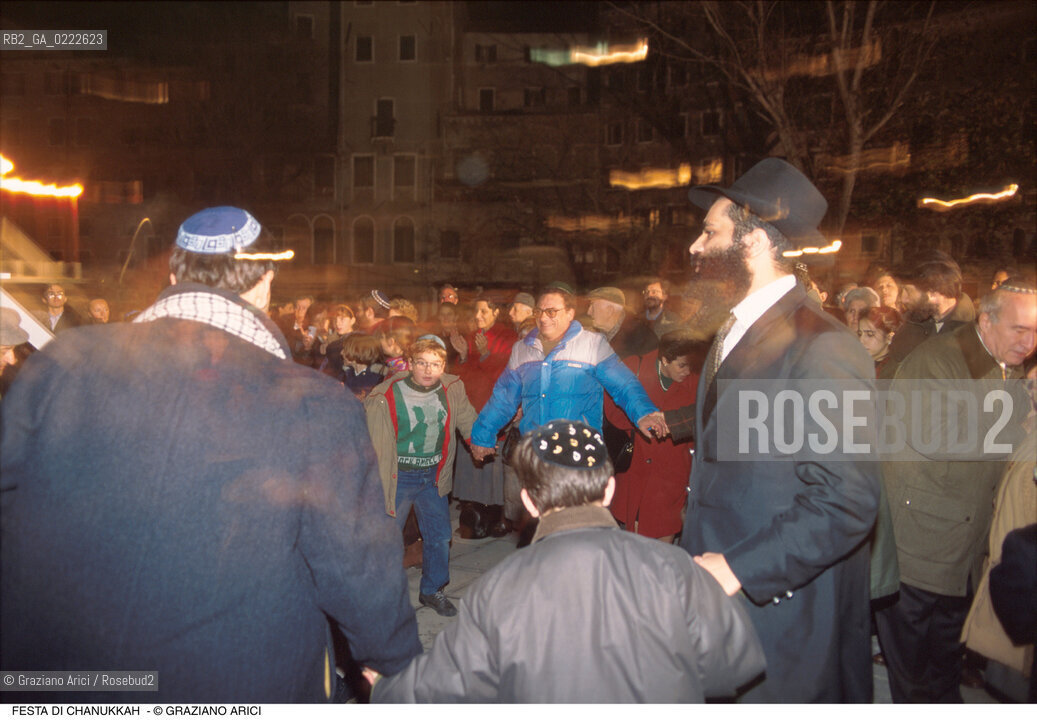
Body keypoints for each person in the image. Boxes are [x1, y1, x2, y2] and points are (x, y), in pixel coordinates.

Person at [0, 206, 421, 703]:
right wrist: (396, 662)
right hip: (230, 682)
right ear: (265, 284)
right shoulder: (315, 403)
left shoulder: (60, 364)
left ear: (176, 274)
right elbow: (356, 564)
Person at [369, 420, 766, 703]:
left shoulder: (499, 589)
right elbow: (734, 668)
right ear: (609, 490)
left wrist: (385, 689)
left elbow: (448, 685)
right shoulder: (675, 568)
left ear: (528, 500)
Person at [674, 158, 881, 701]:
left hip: (784, 619)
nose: (696, 247)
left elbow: (846, 500)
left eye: (710, 231)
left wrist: (739, 567)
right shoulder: (735, 332)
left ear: (755, 243)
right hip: (727, 602)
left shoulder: (825, 347)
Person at [875, 280, 1036, 703]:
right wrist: (1021, 419)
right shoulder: (940, 360)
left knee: (945, 655)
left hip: (964, 538)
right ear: (986, 320)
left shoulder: (1005, 361)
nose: (1030, 342)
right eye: (1021, 329)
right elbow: (937, 435)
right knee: (912, 667)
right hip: (921, 538)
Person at [469, 287, 665, 462]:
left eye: (552, 311)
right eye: (539, 311)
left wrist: (644, 413)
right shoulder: (522, 349)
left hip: (579, 454)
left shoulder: (592, 344)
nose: (543, 318)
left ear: (570, 313)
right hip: (535, 455)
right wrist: (482, 436)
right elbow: (504, 397)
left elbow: (624, 384)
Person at [364, 337, 479, 618]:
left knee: (439, 537)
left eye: (436, 364)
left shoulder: (451, 388)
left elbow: (468, 420)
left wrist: (481, 439)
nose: (429, 370)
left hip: (433, 477)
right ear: (411, 363)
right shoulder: (385, 394)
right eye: (422, 363)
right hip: (398, 477)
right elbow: (366, 436)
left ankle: (432, 590)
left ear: (443, 366)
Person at [604, 333, 703, 543]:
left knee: (662, 545)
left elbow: (700, 419)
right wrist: (637, 423)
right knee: (632, 543)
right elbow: (611, 405)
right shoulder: (634, 368)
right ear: (664, 359)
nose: (687, 372)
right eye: (681, 366)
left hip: (671, 476)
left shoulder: (696, 382)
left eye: (690, 366)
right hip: (635, 468)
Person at [451, 296, 519, 538]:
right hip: (471, 408)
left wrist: (485, 354)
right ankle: (474, 512)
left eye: (483, 311)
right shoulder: (471, 336)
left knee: (492, 468)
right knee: (472, 467)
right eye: (476, 311)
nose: (478, 316)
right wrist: (461, 355)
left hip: (492, 409)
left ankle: (496, 515)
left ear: (496, 312)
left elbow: (504, 375)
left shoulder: (508, 338)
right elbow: (464, 373)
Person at [585, 286, 640, 357]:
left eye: (593, 306)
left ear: (609, 311)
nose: (588, 312)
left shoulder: (637, 342)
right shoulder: (596, 333)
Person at [857, 305, 901, 379]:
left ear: (889, 337)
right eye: (859, 334)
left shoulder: (896, 372)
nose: (861, 340)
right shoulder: (856, 364)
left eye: (870, 334)